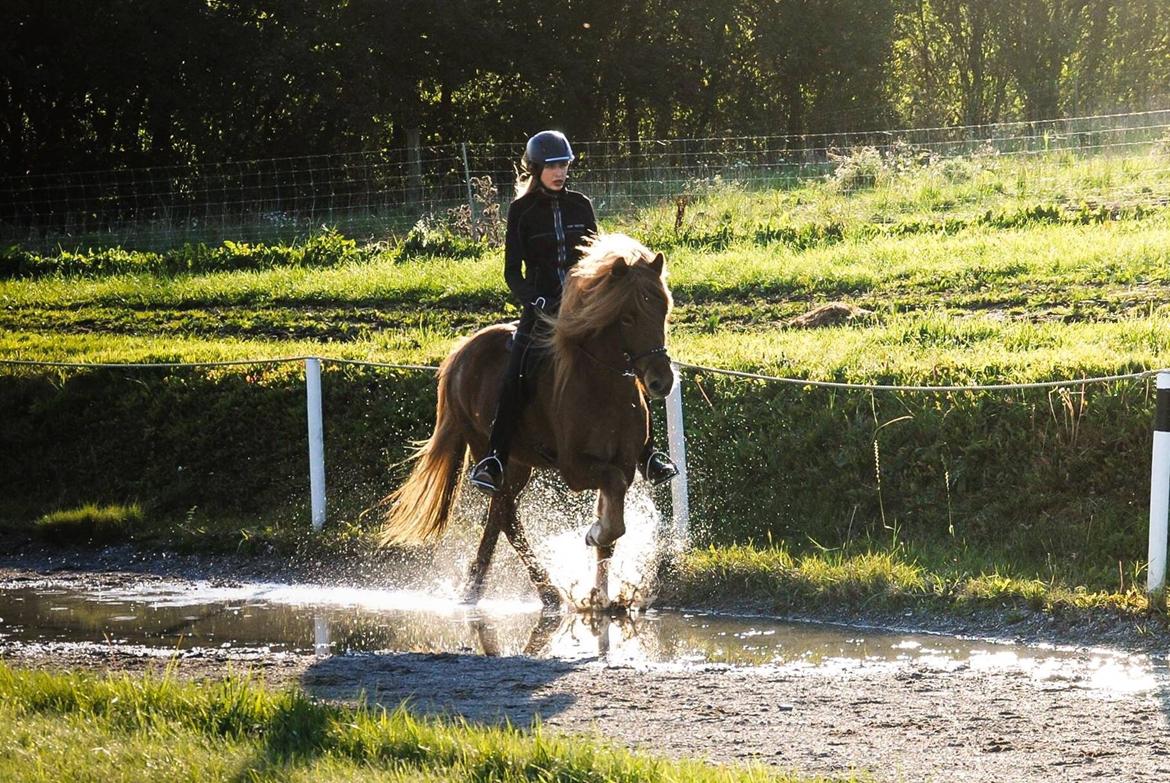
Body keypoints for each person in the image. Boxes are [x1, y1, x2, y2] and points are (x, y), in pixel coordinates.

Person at [468, 129, 679, 494]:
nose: (559, 172)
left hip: (583, 309)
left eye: (564, 164)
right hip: (542, 310)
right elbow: (511, 274)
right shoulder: (521, 211)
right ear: (535, 169)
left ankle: (648, 452)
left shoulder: (581, 204)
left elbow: (594, 260)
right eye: (552, 166)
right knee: (516, 372)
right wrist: (536, 301)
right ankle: (496, 457)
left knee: (626, 359)